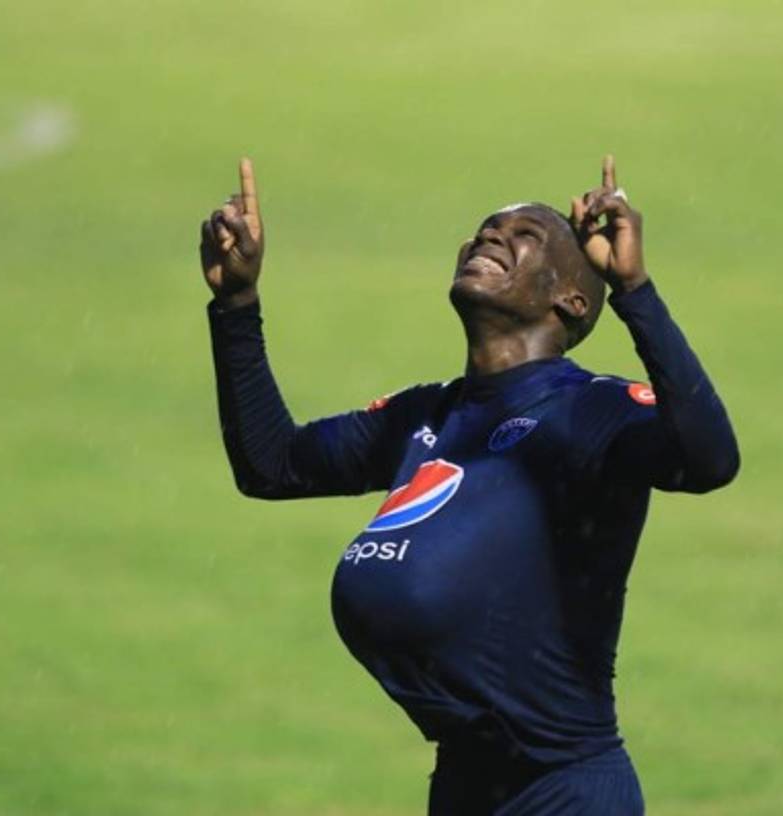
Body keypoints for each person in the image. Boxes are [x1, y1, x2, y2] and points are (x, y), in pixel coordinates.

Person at [199, 155, 739, 815]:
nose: (490, 237)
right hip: (467, 789)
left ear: (570, 298)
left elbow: (710, 459)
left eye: (525, 237)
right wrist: (235, 304)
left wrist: (634, 290)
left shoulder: (591, 411)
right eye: (485, 228)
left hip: (564, 793)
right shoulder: (424, 418)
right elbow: (272, 464)